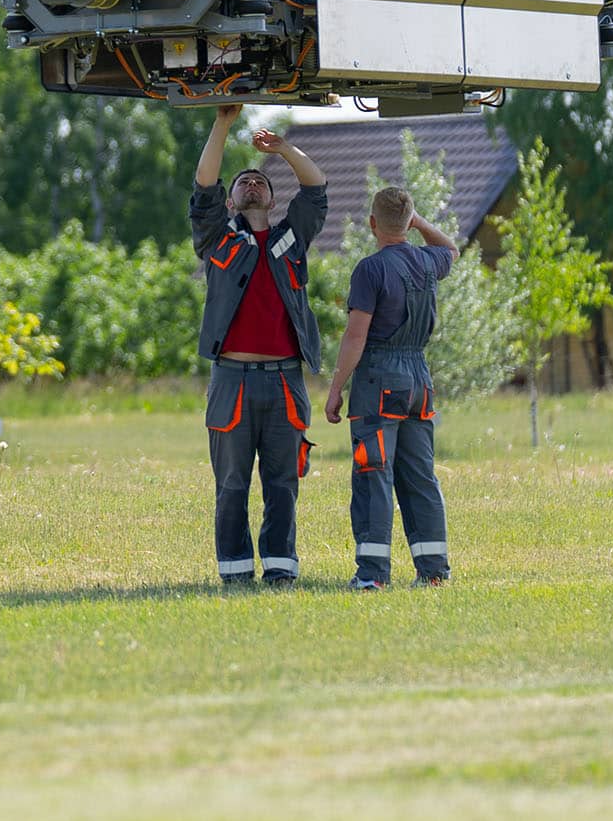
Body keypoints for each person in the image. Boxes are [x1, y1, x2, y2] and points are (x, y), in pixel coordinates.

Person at [191, 103, 328, 587]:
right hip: (232, 381)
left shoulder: (291, 238)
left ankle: (281, 570)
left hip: (285, 381)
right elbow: (203, 187)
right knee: (230, 485)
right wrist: (223, 123)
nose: (252, 184)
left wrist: (284, 148)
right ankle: (234, 574)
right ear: (231, 202)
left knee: (283, 485)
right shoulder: (217, 240)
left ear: (271, 199)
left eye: (260, 182)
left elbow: (315, 188)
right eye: (243, 183)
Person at [323, 185, 459, 590]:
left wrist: (335, 389)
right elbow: (451, 248)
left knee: (373, 474)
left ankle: (372, 576)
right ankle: (434, 572)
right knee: (420, 476)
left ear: (371, 224)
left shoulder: (370, 269)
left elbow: (355, 336)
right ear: (408, 222)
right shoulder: (428, 260)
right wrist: (416, 221)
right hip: (419, 378)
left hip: (379, 380)